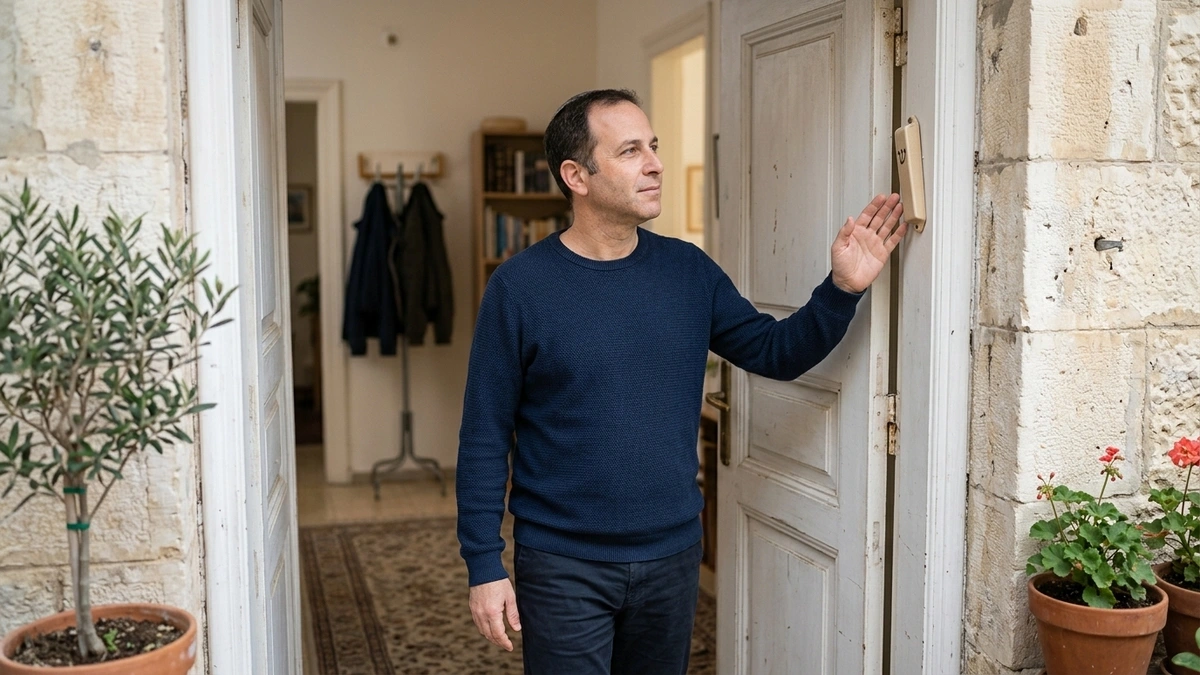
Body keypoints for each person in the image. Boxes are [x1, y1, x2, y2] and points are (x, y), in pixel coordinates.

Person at [456, 89, 907, 675]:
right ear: (577, 176)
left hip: (670, 556)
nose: (655, 163)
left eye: (655, 146)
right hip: (563, 561)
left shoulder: (688, 271)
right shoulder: (518, 289)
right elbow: (484, 437)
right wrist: (485, 565)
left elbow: (775, 352)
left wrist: (842, 288)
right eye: (630, 151)